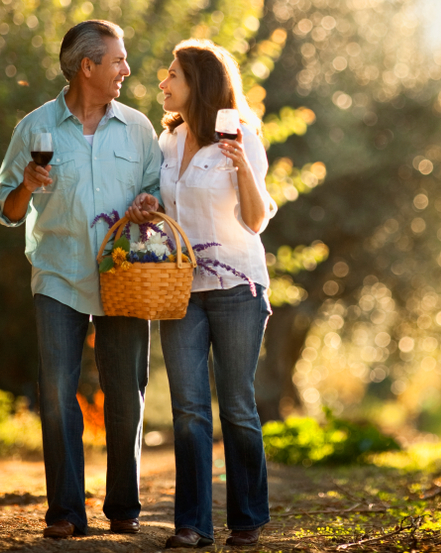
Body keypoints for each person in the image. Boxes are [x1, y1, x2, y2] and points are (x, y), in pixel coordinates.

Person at [0, 20, 162, 539]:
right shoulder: (35, 127)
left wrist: (148, 206)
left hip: (125, 276)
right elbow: (6, 207)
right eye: (117, 61)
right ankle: (65, 511)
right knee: (58, 389)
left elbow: (158, 195)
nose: (126, 70)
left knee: (126, 391)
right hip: (59, 275)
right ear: (86, 67)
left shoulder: (137, 128)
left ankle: (123, 507)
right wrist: (26, 185)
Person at [126, 39, 275, 548]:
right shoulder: (167, 143)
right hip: (181, 288)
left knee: (236, 406)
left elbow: (255, 220)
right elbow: (167, 210)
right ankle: (192, 524)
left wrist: (240, 165)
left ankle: (248, 519)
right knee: (189, 409)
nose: (162, 82)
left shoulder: (243, 138)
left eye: (172, 74)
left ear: (199, 84)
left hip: (237, 286)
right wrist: (147, 207)